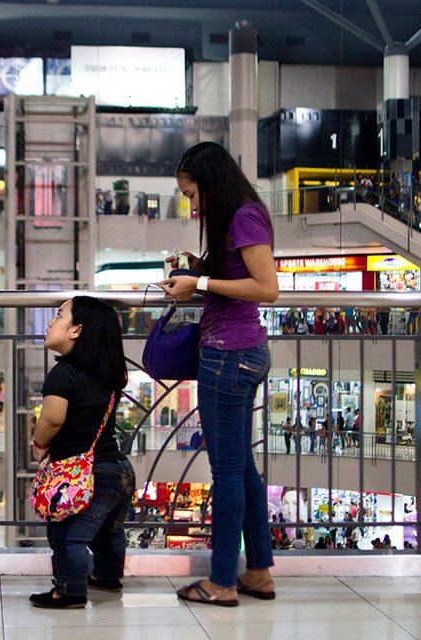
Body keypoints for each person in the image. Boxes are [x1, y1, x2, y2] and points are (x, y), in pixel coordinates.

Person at [160, 142, 278, 607]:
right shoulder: (241, 214)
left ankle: (222, 580)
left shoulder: (244, 215)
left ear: (210, 182)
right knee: (243, 468)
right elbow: (240, 274)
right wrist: (199, 269)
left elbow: (267, 288)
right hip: (240, 352)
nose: (192, 205)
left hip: (229, 354)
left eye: (192, 194)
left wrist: (201, 283)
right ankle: (259, 573)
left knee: (226, 472)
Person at [29, 296, 135, 609]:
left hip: (83, 473)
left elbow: (52, 418)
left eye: (58, 316)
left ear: (76, 331)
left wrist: (39, 443)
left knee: (67, 535)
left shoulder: (63, 374)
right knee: (109, 530)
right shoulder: (108, 376)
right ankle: (106, 576)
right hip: (117, 468)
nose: (50, 322)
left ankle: (69, 590)